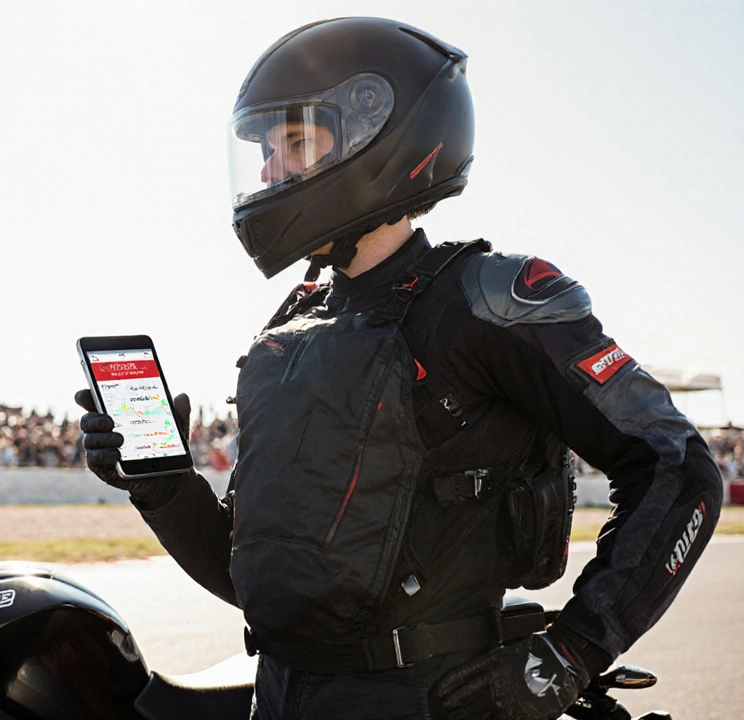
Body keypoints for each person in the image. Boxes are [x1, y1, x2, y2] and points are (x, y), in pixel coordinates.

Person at [75, 17, 722, 720]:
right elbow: (264, 583)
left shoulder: (485, 300)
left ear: (377, 134)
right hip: (281, 694)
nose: (267, 172)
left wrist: (570, 653)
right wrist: (166, 488)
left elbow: (678, 468)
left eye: (293, 142)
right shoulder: (291, 328)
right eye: (264, 151)